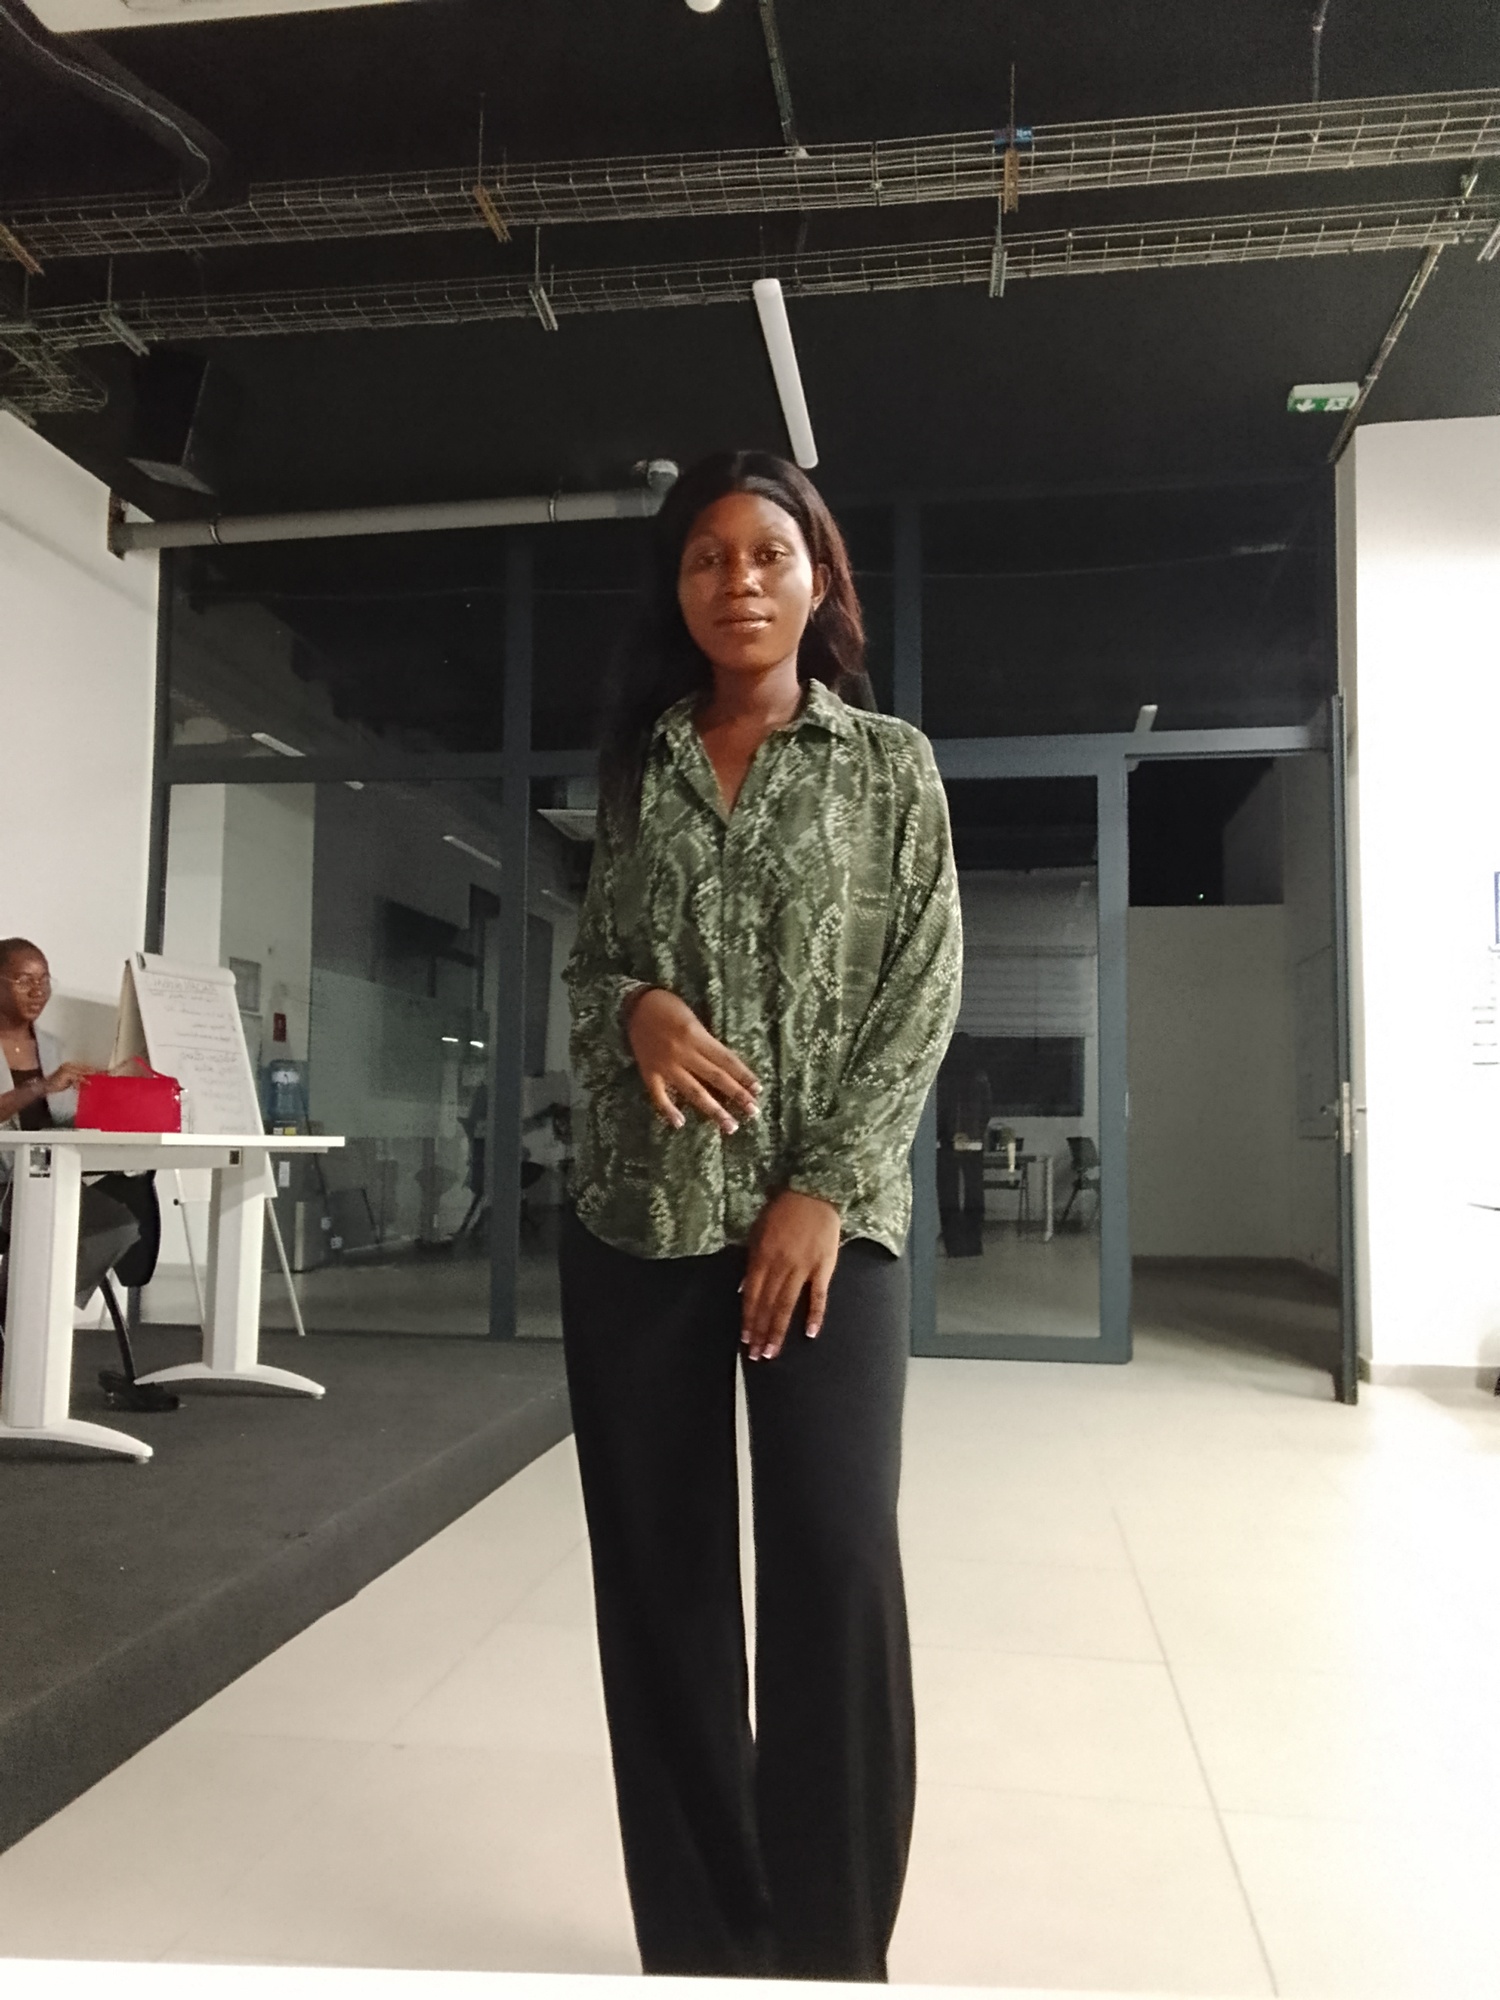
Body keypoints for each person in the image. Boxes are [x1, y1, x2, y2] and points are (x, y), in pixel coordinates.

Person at [560, 451, 963, 1982]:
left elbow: (922, 987)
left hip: (827, 1234)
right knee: (660, 1588)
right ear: (679, 588)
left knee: (835, 1561)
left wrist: (824, 1187)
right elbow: (593, 968)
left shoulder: (888, 767)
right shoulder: (639, 769)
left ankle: (832, 1949)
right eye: (707, 557)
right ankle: (705, 1943)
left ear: (818, 578)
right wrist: (643, 1010)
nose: (738, 580)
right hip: (641, 1218)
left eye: (767, 554)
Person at [0, 939, 143, 1321]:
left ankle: (25, 1312)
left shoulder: (50, 1046)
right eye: (24, 980)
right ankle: (23, 1316)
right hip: (5, 1183)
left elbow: (58, 1118)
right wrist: (40, 1086)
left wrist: (102, 1098)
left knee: (117, 1224)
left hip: (47, 1176)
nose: (38, 991)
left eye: (44, 980)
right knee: (45, 1234)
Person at [935, 1031, 993, 1257]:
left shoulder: (943, 1077)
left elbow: (939, 1111)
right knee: (974, 1192)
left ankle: (953, 1244)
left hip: (947, 1143)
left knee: (948, 1194)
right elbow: (986, 1111)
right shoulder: (980, 1078)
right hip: (974, 1143)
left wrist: (945, 1134)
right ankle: (974, 1242)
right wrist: (975, 1133)